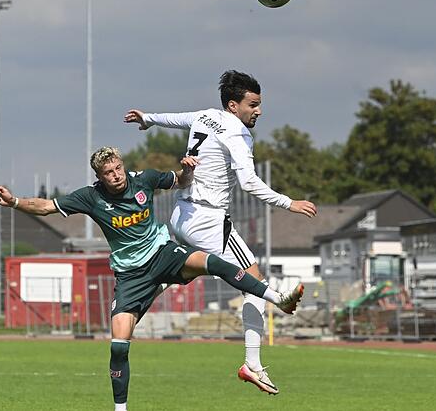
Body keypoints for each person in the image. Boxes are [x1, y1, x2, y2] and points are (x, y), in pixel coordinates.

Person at [0, 146, 304, 411]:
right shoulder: (91, 197)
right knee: (118, 346)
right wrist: (13, 202)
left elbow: (180, 181)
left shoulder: (145, 179)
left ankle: (278, 298)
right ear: (99, 177)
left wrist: (187, 171)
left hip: (162, 254)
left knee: (214, 262)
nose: (116, 175)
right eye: (108, 172)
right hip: (130, 275)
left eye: (118, 168)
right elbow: (46, 206)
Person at [123, 70, 317, 395]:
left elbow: (176, 118)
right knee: (253, 282)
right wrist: (289, 203)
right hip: (207, 219)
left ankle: (134, 302)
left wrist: (148, 118)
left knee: (180, 273)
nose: (259, 111)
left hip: (181, 213)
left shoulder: (205, 116)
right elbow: (249, 182)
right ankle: (252, 363)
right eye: (253, 104)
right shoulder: (238, 133)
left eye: (259, 104)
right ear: (233, 105)